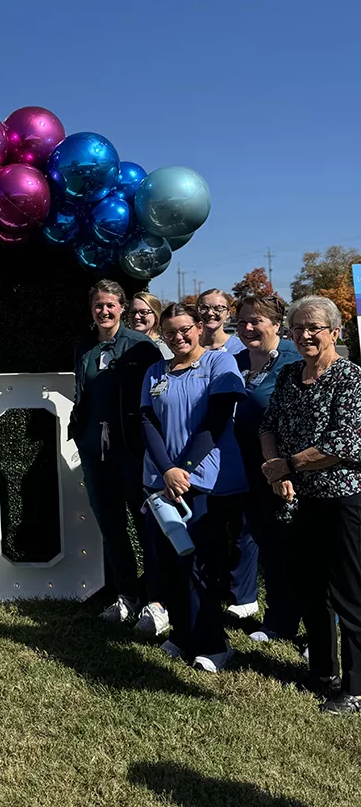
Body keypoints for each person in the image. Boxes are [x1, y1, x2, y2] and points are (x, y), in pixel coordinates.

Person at [260, 296, 361, 715]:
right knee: (311, 588)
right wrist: (275, 471)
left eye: (314, 327)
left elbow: (345, 442)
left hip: (341, 499)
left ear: (335, 332)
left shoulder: (351, 378)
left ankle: (355, 688)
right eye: (298, 327)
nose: (304, 335)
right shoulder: (287, 375)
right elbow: (268, 426)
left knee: (350, 593)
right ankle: (322, 670)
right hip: (298, 499)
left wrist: (289, 465)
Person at [141, 302, 247, 671]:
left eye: (185, 329)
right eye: (170, 332)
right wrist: (167, 470)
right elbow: (148, 423)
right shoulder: (156, 371)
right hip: (161, 481)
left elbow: (216, 421)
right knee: (170, 561)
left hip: (203, 481)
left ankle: (214, 645)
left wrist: (182, 470)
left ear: (199, 327)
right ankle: (182, 635)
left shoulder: (220, 364)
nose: (178, 337)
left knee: (203, 565)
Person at [70, 279, 166, 633]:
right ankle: (127, 595)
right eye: (98, 305)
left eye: (111, 305)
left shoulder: (141, 347)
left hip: (133, 452)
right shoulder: (84, 346)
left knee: (147, 527)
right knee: (111, 526)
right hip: (96, 453)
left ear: (122, 308)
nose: (104, 311)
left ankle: (157, 599)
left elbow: (156, 401)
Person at [233, 294, 302, 643]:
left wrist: (286, 467)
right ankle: (280, 621)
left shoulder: (295, 358)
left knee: (299, 549)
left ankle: (320, 627)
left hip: (289, 471)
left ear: (276, 324)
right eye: (242, 321)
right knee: (270, 547)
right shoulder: (236, 361)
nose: (247, 327)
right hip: (248, 470)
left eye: (256, 320)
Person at [197, 287, 258, 620]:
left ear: (229, 312)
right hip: (202, 448)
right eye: (205, 308)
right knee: (211, 524)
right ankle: (216, 585)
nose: (211, 314)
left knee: (243, 526)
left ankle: (244, 595)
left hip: (237, 446)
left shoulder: (240, 349)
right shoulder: (188, 346)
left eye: (218, 308)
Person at [129, 291, 173, 360]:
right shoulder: (123, 345)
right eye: (133, 312)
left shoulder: (161, 348)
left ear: (156, 315)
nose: (136, 317)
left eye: (143, 312)